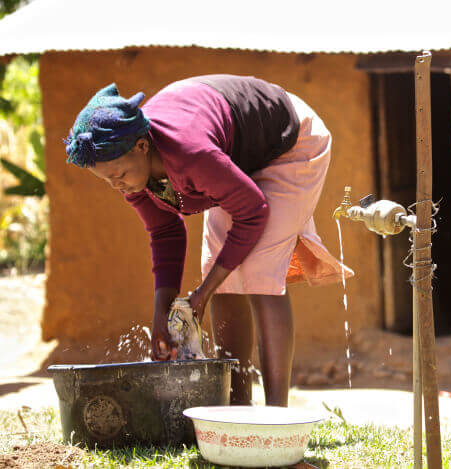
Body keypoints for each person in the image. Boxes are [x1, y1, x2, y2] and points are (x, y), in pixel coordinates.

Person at [63, 75, 353, 407]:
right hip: (238, 155)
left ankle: (277, 416)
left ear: (142, 147)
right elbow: (165, 232)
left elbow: (253, 212)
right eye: (107, 181)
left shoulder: (190, 153)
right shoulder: (135, 179)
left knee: (259, 273)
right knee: (222, 278)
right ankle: (237, 406)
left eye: (119, 175)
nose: (117, 186)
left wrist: (203, 293)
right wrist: (162, 314)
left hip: (289, 141)